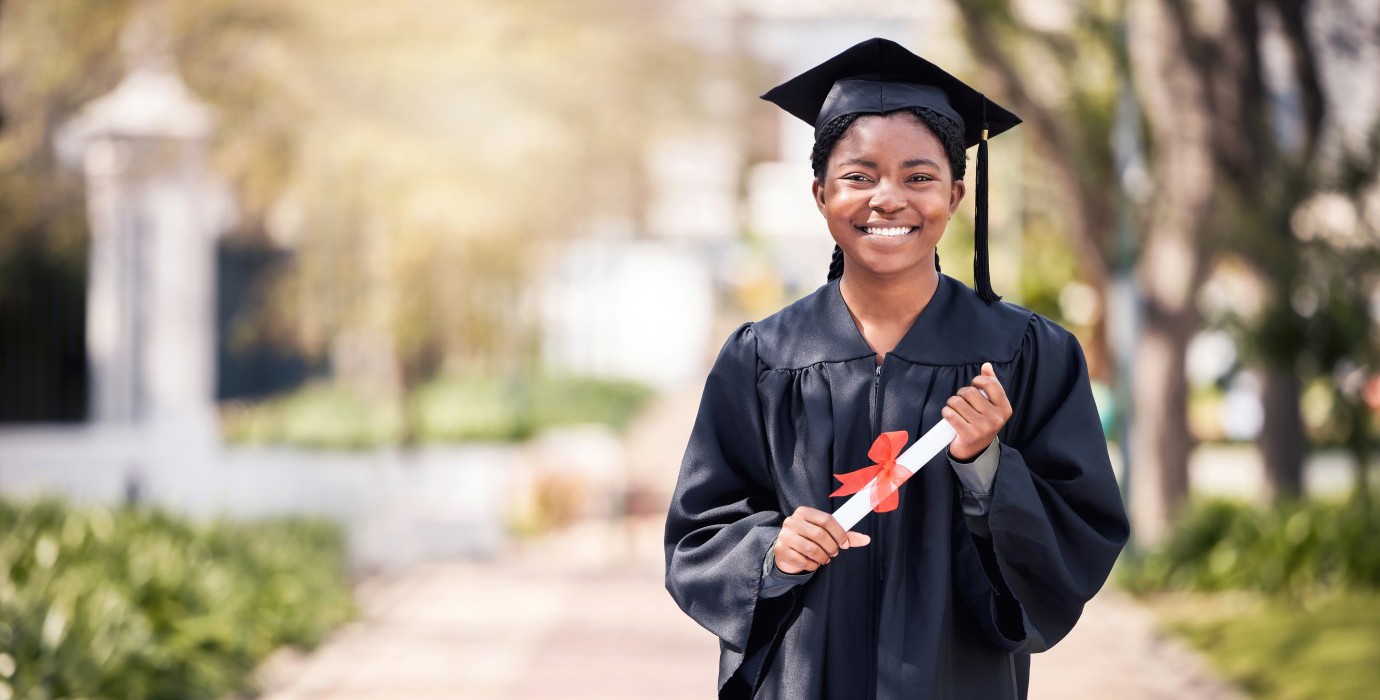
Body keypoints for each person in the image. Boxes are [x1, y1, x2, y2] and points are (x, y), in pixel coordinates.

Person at [663, 38, 1130, 700]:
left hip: (956, 678)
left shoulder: (1027, 353)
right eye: (858, 176)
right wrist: (770, 550)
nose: (888, 199)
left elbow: (1081, 531)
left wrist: (987, 467)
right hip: (802, 678)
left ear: (957, 194)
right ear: (821, 193)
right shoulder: (763, 356)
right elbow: (701, 528)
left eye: (919, 177)